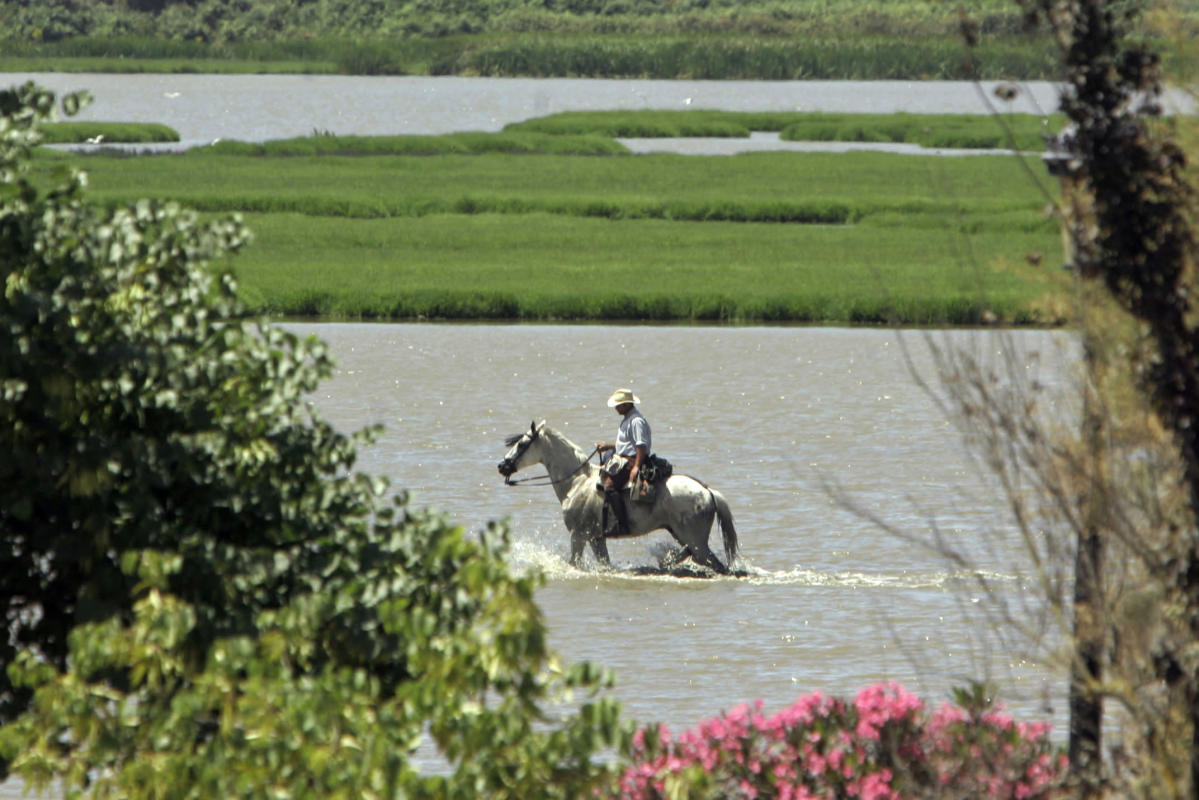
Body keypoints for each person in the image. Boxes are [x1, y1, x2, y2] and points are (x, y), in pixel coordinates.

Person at [595, 388, 651, 537]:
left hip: (632, 460)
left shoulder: (636, 421)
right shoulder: (628, 419)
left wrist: (636, 467)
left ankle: (623, 525)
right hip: (627, 457)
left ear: (626, 405)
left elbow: (640, 446)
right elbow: (626, 443)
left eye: (618, 405)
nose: (616, 408)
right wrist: (608, 446)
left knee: (610, 486)